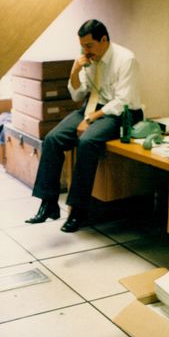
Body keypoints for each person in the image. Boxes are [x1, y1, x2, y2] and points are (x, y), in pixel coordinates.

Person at [25, 19, 144, 232]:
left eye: (89, 45)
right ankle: (49, 203)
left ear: (104, 40)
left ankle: (79, 209)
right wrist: (74, 71)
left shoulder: (126, 59)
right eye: (82, 46)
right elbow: (77, 94)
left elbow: (123, 101)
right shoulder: (89, 58)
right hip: (92, 106)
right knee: (53, 138)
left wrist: (89, 119)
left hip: (121, 113)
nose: (85, 50)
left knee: (87, 142)